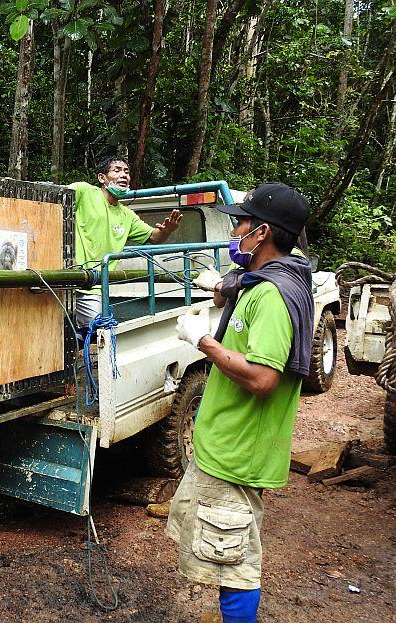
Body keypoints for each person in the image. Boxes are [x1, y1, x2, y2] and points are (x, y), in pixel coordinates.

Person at [169, 183, 314, 623]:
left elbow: (263, 378)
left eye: (241, 223)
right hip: (225, 444)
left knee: (236, 563)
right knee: (221, 550)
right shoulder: (268, 279)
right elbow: (240, 285)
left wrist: (203, 341)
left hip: (238, 449)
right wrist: (222, 286)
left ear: (263, 231)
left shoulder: (271, 296)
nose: (235, 230)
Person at [70, 156, 183, 329]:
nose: (124, 175)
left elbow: (153, 237)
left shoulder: (127, 215)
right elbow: (54, 200)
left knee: (95, 335)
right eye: (117, 170)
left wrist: (167, 229)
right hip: (66, 278)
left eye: (127, 172)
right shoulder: (84, 191)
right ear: (102, 178)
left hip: (93, 287)